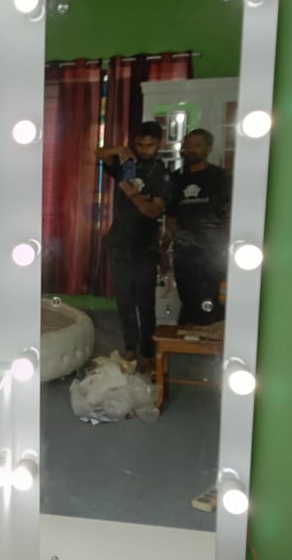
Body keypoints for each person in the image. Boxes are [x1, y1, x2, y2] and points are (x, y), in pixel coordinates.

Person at [97, 121, 170, 373]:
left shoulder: (162, 172)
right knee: (124, 301)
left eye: (150, 145)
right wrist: (118, 149)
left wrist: (133, 196)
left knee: (145, 303)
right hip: (119, 243)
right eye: (140, 144)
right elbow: (98, 153)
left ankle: (147, 352)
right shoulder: (126, 164)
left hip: (145, 246)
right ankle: (130, 347)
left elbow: (153, 211)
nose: (144, 149)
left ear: (159, 144)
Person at [163, 128, 232, 326]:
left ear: (209, 149)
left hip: (213, 250)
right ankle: (189, 336)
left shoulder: (220, 177)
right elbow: (171, 216)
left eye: (197, 145)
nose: (191, 149)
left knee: (213, 299)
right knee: (188, 297)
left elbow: (229, 213)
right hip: (185, 250)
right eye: (187, 145)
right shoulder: (176, 179)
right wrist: (165, 247)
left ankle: (211, 337)